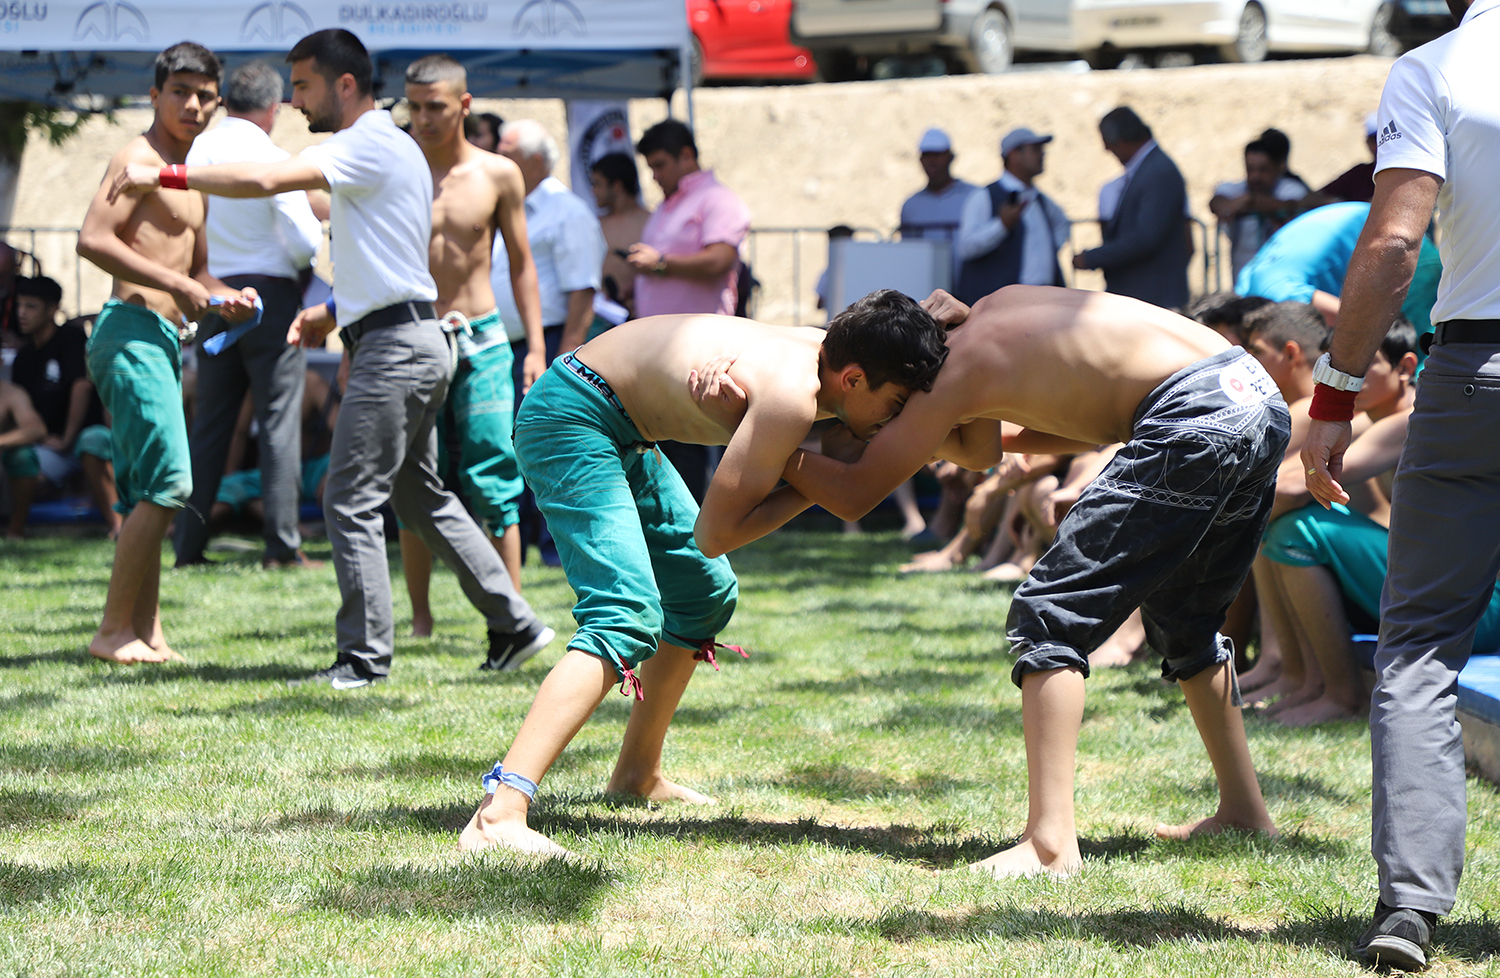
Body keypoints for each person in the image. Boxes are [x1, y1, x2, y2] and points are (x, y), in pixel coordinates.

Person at [747, 285, 1286, 878]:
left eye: (891, 403)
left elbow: (853, 494)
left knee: (1050, 613)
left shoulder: (955, 370)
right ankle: (1244, 810)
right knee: (1186, 623)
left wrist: (770, 440)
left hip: (1191, 417)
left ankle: (1050, 845)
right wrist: (914, 435)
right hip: (1254, 394)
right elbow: (1048, 427)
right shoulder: (993, 312)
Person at [109, 29, 552, 685]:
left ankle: (364, 659)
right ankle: (516, 625)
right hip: (413, 335)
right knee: (421, 494)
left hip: (398, 348)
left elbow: (264, 177)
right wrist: (334, 312)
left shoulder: (364, 143)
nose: (293, 101)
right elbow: (388, 254)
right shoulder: (393, 148)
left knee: (346, 497)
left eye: (305, 85)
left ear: (346, 85)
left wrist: (166, 171)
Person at [456, 290, 949, 856]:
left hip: (620, 423)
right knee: (625, 613)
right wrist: (819, 482)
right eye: (897, 404)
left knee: (701, 592)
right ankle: (499, 813)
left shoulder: (832, 353)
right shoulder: (792, 393)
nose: (898, 420)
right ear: (855, 379)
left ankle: (636, 775)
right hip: (572, 415)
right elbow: (715, 535)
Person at [1300, 0, 1500, 967]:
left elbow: (1390, 246)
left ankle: (1410, 910)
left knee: (1419, 648)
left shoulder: (1438, 68)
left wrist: (1334, 398)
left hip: (1473, 381)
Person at [76, 43, 261, 665]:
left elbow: (200, 272)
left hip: (161, 339)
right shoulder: (136, 158)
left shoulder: (187, 172)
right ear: (154, 95)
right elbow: (92, 240)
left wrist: (224, 298)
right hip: (128, 331)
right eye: (180, 91)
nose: (193, 104)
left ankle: (146, 633)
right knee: (171, 482)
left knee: (146, 492)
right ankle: (111, 632)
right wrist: (176, 285)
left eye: (205, 94)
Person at [398, 54, 546, 636]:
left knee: (494, 475)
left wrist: (534, 346)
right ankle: (420, 620)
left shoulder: (497, 174)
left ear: (463, 105)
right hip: (412, 333)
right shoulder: (398, 170)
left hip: (482, 336)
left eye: (435, 106)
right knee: (411, 478)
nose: (424, 118)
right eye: (414, 106)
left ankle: (509, 621)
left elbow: (523, 266)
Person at [174, 60, 328, 571]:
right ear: (273, 107)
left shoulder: (198, 151)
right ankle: (282, 547)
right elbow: (306, 242)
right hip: (271, 296)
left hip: (213, 292)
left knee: (210, 424)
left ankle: (187, 544)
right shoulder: (271, 156)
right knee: (278, 421)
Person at [1260, 320, 1424, 727]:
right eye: (1341, 368)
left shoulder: (1415, 419)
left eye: (1365, 367)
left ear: (1405, 367)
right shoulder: (1372, 420)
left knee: (1295, 530)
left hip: (1474, 601)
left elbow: (1304, 482)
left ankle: (1339, 692)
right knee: (1273, 524)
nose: (1350, 380)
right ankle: (1295, 674)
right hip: (1418, 578)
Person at [494, 118, 605, 565]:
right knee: (516, 443)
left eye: (508, 152)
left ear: (536, 160)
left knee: (549, 444)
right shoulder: (510, 203)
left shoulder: (566, 211)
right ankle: (520, 542)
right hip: (515, 343)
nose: (497, 159)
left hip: (554, 343)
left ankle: (553, 545)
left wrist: (566, 358)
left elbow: (583, 288)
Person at [627, 119, 751, 503]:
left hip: (697, 342)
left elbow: (720, 259)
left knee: (686, 441)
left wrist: (661, 263)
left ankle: (693, 531)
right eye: (651, 168)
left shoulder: (718, 200)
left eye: (660, 165)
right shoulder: (669, 205)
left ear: (687, 156)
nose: (655, 175)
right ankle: (676, 528)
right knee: (663, 438)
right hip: (661, 343)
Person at [1236, 201, 1443, 343]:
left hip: (1402, 250)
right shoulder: (1246, 285)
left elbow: (1349, 320)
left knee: (1407, 346)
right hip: (1379, 234)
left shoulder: (1271, 293)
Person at [7, 275, 118, 537]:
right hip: (48, 445)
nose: (22, 314)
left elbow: (82, 386)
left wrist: (68, 438)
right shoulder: (23, 357)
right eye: (19, 306)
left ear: (52, 309)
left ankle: (117, 528)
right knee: (20, 462)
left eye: (31, 306)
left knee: (92, 442)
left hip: (82, 439)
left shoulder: (70, 338)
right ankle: (15, 530)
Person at [1074, 107, 1190, 310]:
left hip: (1153, 297)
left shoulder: (1157, 172)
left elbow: (1146, 238)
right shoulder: (1150, 169)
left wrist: (1092, 257)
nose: (1107, 150)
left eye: (1108, 143)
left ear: (1122, 141)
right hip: (1147, 295)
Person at [954, 127, 1070, 304]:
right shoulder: (984, 197)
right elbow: (966, 247)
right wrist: (1001, 226)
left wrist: (1049, 249)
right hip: (1005, 305)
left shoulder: (1040, 199)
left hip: (1043, 299)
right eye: (1035, 149)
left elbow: (1063, 224)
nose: (1042, 155)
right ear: (1014, 155)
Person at [1209, 135, 1310, 280]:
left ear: (1279, 167)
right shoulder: (1235, 189)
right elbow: (1217, 203)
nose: (1256, 176)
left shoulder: (1291, 188)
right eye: (1250, 169)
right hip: (1243, 281)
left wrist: (1251, 201)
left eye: (1263, 170)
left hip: (1279, 280)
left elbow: (1290, 205)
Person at [898, 127, 976, 281]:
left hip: (970, 290)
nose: (932, 161)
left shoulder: (974, 196)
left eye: (938, 155)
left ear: (951, 157)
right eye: (927, 156)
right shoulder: (911, 206)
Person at [589, 152, 650, 319]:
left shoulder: (650, 223)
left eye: (597, 184)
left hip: (640, 318)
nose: (593, 191)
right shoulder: (593, 225)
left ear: (617, 186)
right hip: (598, 318)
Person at [0, 378, 47, 536]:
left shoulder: (12, 393)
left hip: (3, 458)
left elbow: (36, 429)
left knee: (23, 457)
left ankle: (16, 528)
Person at [1306, 114, 1380, 208]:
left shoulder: (1403, 175)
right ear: (1367, 143)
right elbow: (1317, 197)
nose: (1379, 145)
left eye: (1383, 139)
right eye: (1375, 139)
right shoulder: (1360, 174)